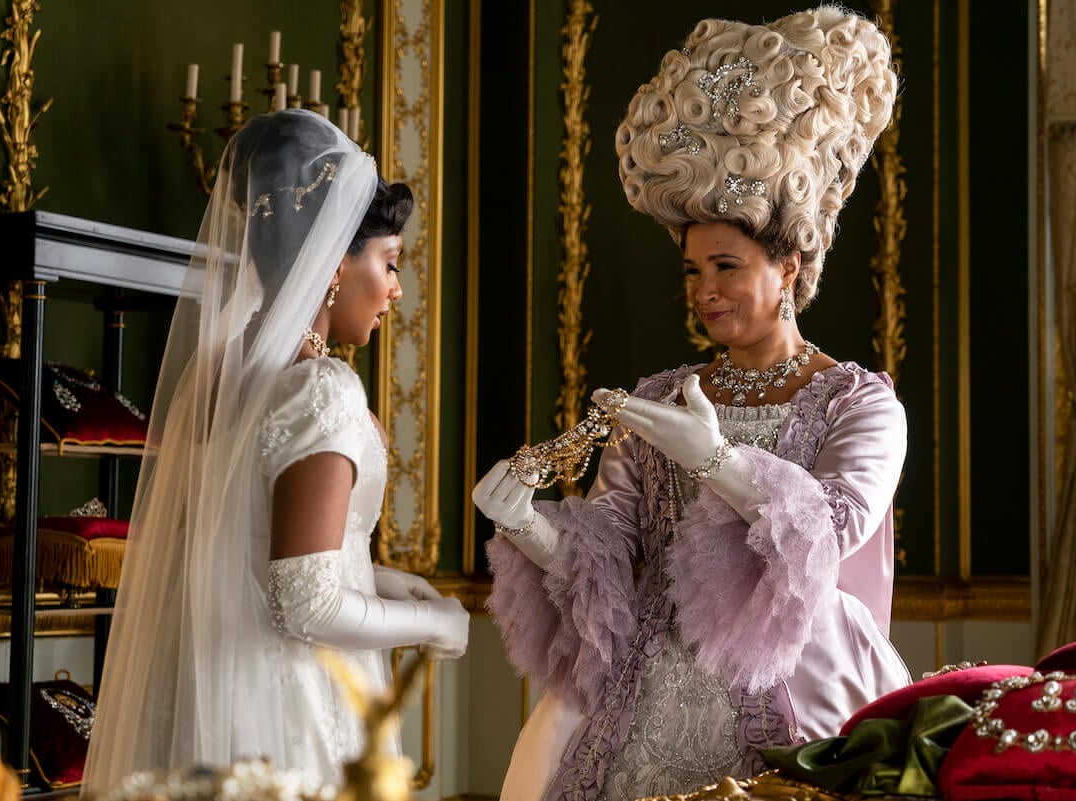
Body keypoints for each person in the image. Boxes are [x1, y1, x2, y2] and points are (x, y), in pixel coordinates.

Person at [472, 8, 911, 801]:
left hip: (799, 676)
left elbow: (835, 528)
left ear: (790, 262)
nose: (704, 291)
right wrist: (528, 524)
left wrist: (718, 459)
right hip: (644, 692)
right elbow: (611, 550)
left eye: (727, 266)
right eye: (690, 271)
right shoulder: (659, 398)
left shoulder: (858, 403)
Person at [83, 109, 469, 794]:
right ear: (332, 264)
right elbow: (306, 604)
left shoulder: (217, 377)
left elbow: (245, 543)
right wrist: (433, 620)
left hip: (205, 682)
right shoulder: (321, 388)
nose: (396, 289)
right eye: (390, 262)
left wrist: (379, 579)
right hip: (289, 703)